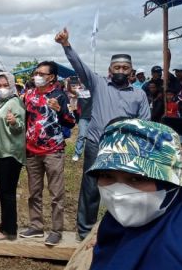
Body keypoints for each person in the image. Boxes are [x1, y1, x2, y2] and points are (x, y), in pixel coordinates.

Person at [26, 119, 182, 270]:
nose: (119, 191)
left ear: (169, 181)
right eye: (107, 176)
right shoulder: (116, 229)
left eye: (136, 178)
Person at [56, 27, 150, 240]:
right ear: (110, 69)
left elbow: (145, 123)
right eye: (117, 67)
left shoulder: (139, 94)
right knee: (90, 188)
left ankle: (119, 229)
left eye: (125, 68)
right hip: (97, 144)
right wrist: (66, 45)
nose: (121, 71)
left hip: (125, 148)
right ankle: (85, 231)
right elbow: (79, 67)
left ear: (131, 71)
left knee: (123, 188)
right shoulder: (98, 84)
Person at [20, 61, 75, 246]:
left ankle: (56, 230)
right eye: (36, 73)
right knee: (34, 192)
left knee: (56, 193)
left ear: (51, 77)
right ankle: (36, 226)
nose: (37, 76)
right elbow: (23, 118)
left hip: (53, 151)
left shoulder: (59, 96)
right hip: (32, 151)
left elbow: (71, 122)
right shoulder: (29, 95)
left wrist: (60, 111)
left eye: (41, 73)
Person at [0, 72, 26, 241]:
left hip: (10, 153)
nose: (2, 88)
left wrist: (14, 122)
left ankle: (9, 230)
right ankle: (5, 225)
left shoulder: (15, 103)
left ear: (12, 86)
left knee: (8, 192)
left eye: (6, 85)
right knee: (2, 191)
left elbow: (21, 127)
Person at [70, 82, 92, 162]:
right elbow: (71, 92)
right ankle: (77, 154)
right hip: (83, 117)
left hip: (94, 117)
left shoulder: (95, 91)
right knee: (82, 135)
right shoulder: (80, 91)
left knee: (93, 137)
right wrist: (68, 83)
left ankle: (93, 154)